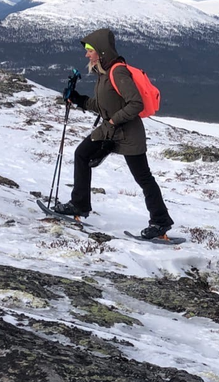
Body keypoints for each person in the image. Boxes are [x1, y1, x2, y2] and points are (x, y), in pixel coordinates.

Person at [59, 28, 174, 239]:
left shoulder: (117, 72)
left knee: (143, 178)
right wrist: (77, 99)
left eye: (90, 51)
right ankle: (79, 205)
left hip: (128, 133)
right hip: (110, 130)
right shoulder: (103, 72)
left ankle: (160, 223)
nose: (87, 55)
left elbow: (136, 103)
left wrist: (114, 120)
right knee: (82, 154)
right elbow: (103, 104)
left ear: (101, 51)